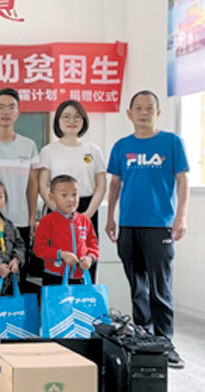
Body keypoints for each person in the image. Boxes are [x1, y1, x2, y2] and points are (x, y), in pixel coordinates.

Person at [106, 90, 189, 369]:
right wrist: (110, 217)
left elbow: (183, 180)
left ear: (158, 113)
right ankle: (143, 338)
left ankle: (165, 343)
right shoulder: (121, 146)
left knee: (160, 288)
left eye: (149, 108)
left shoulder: (171, 142)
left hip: (159, 225)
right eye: (138, 108)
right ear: (129, 113)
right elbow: (115, 183)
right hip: (128, 225)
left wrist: (181, 216)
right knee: (138, 287)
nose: (144, 112)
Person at [0, 88, 40, 291]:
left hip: (19, 221)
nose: (6, 112)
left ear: (18, 112)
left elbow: (32, 183)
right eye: (0, 107)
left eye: (11, 107)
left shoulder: (29, 145)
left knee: (17, 279)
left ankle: (16, 314)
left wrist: (32, 216)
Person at [39, 100, 106, 281]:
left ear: (84, 120)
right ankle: (56, 299)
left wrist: (87, 214)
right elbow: (43, 185)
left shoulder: (93, 150)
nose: (72, 121)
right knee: (57, 263)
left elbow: (101, 184)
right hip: (57, 209)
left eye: (77, 117)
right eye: (66, 117)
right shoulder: (49, 150)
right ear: (58, 121)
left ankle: (85, 298)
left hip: (86, 208)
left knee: (86, 261)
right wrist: (57, 210)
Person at [34, 175, 99, 287]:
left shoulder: (85, 221)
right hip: (54, 276)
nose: (71, 199)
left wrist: (90, 258)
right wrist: (61, 255)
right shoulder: (47, 221)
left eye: (75, 194)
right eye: (64, 195)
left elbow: (93, 246)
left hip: (80, 277)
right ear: (52, 197)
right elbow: (39, 248)